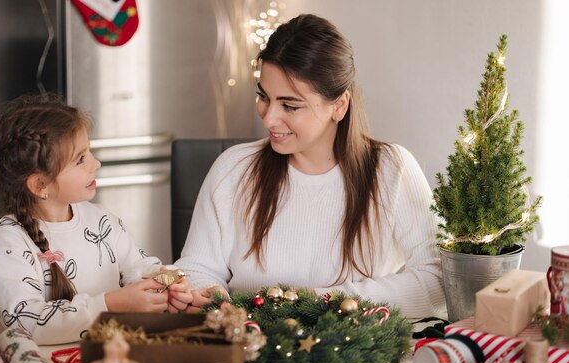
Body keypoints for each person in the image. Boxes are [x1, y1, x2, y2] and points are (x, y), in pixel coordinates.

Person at [176, 14, 446, 319]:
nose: (268, 118)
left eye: (290, 105)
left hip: (359, 355)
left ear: (339, 106)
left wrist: (322, 302)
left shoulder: (391, 170)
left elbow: (436, 280)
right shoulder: (233, 168)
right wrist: (208, 295)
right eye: (263, 97)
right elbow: (196, 267)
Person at [0, 94, 192, 345]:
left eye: (89, 151)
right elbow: (26, 322)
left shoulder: (101, 221)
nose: (96, 163)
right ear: (40, 184)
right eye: (80, 159)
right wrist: (111, 304)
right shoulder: (9, 240)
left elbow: (138, 268)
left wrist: (167, 282)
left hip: (107, 359)